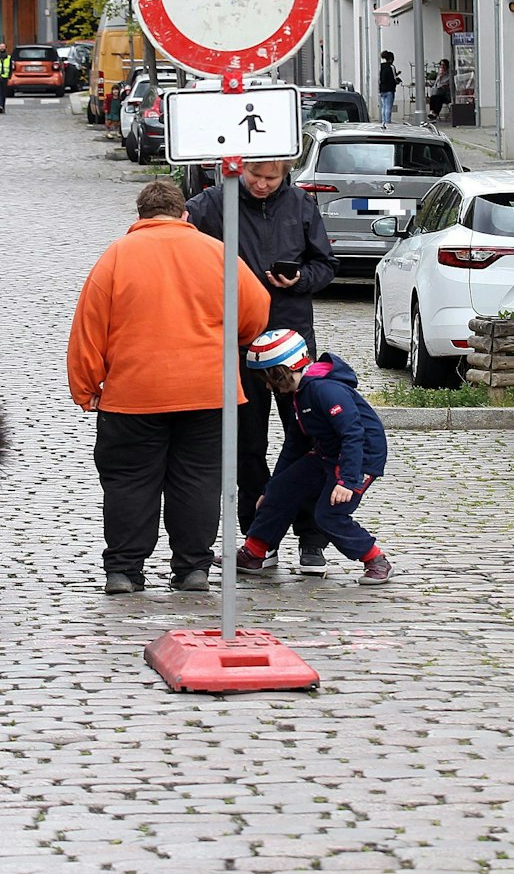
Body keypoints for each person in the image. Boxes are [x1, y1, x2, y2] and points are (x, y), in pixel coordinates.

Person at [66, 180, 271, 595]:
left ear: (139, 216)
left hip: (133, 394)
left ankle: (123, 571)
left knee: (129, 482)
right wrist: (230, 337)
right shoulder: (217, 253)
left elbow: (89, 327)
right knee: (199, 479)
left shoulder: (116, 257)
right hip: (208, 392)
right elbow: (256, 310)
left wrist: (86, 387)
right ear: (185, 214)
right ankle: (193, 567)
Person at [186, 160, 337, 574]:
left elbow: (326, 265)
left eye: (273, 178)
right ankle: (259, 541)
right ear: (241, 169)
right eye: (256, 176)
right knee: (247, 446)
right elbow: (178, 243)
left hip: (292, 345)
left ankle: (312, 539)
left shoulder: (301, 205)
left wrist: (300, 278)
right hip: (239, 341)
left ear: (286, 173)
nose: (263, 185)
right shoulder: (212, 204)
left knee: (309, 441)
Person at [230, 329, 395, 585]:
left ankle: (375, 559)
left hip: (358, 459)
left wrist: (347, 481)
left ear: (283, 371)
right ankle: (254, 552)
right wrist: (271, 488)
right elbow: (293, 446)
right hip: (328, 454)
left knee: (329, 515)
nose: (267, 386)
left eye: (269, 378)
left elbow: (353, 434)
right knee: (280, 490)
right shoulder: (301, 394)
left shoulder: (325, 390)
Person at [379, 50, 400, 124]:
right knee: (388, 107)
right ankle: (388, 122)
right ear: (391, 59)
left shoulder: (381, 66)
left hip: (382, 89)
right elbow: (394, 78)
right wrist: (397, 80)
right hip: (390, 89)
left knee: (383, 107)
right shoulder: (392, 67)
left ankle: (383, 121)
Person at [0, 42, 11, 112]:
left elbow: (10, 67)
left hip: (5, 77)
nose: (2, 48)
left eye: (3, 47)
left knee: (3, 93)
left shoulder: (9, 57)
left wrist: (9, 76)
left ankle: (2, 106)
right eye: (1, 47)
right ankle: (0, 105)